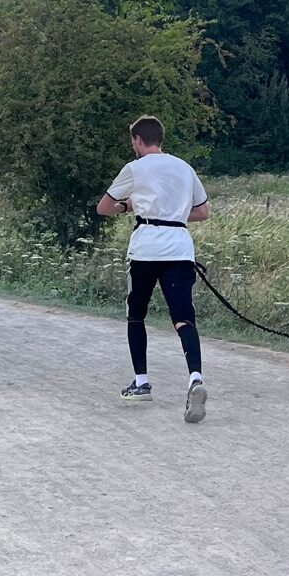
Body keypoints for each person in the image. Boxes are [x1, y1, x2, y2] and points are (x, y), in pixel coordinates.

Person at [96, 116, 210, 424]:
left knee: (137, 314)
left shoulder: (135, 169)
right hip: (179, 246)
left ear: (137, 140)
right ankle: (195, 379)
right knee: (183, 317)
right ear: (160, 138)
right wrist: (174, 212)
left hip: (146, 247)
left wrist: (128, 207)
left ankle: (142, 381)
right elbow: (202, 212)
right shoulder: (185, 168)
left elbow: (103, 207)